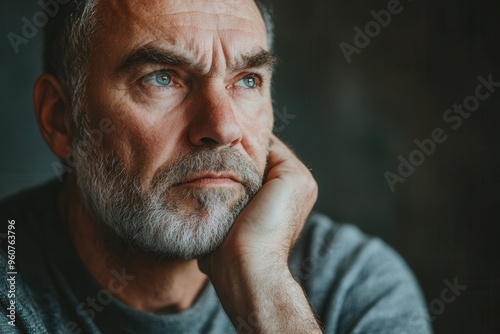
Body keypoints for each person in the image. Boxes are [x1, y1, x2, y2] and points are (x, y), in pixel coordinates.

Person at [0, 0, 432, 333]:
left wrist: (266, 287)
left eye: (247, 80)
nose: (223, 128)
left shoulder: (354, 284)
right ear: (61, 117)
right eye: (162, 77)